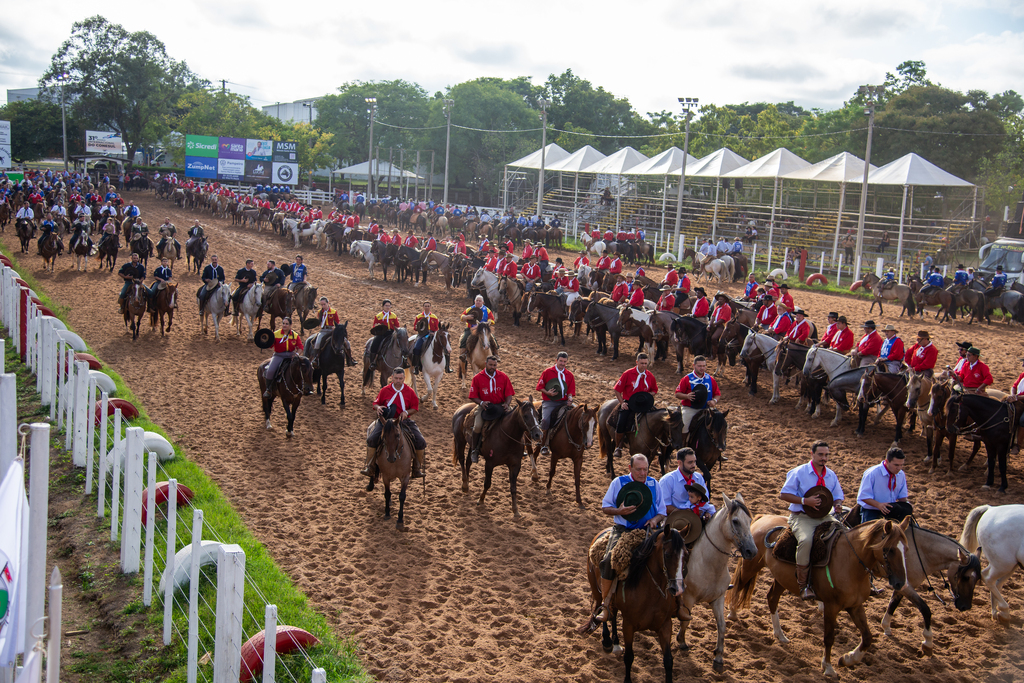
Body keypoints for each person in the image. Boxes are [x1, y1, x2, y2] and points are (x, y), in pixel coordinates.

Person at [594, 454, 666, 621]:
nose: (643, 473)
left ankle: (678, 603)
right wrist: (619, 511)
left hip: (649, 530)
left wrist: (654, 520)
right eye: (638, 469)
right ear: (630, 468)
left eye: (645, 469)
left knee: (673, 555)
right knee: (609, 560)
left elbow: (662, 511)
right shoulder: (618, 482)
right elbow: (605, 507)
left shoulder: (654, 484)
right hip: (623, 530)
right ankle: (606, 604)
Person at [779, 440, 845, 600]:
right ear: (812, 454)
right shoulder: (799, 472)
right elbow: (784, 494)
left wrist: (838, 504)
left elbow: (837, 495)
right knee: (806, 541)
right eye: (820, 454)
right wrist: (805, 501)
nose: (824, 458)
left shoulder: (831, 475)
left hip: (825, 516)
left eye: (826, 455)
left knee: (847, 535)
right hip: (802, 517)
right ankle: (803, 585)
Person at [361, 367, 427, 478]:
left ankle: (416, 468)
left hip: (404, 421)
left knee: (421, 441)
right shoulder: (384, 390)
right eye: (396, 378)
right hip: (386, 422)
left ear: (404, 378)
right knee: (371, 439)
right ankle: (370, 467)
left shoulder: (410, 392)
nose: (398, 381)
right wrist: (378, 408)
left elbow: (415, 408)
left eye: (400, 378)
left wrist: (406, 412)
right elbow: (376, 403)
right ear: (392, 377)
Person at [467, 355, 515, 462]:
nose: (492, 367)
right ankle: (474, 450)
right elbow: (473, 396)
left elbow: (509, 394)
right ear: (486, 364)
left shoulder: (503, 376)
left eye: (494, 365)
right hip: (485, 407)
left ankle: (520, 447)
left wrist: (507, 404)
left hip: (501, 406)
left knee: (516, 420)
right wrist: (481, 403)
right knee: (478, 426)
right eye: (490, 365)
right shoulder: (477, 378)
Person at [612, 353, 658, 457]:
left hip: (645, 403)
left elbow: (655, 389)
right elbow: (617, 390)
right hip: (630, 403)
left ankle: (656, 446)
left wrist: (650, 394)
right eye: (642, 363)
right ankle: (618, 446)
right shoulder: (628, 374)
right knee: (621, 422)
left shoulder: (650, 375)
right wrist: (622, 403)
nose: (644, 365)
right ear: (637, 362)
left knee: (658, 418)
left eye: (645, 363)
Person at [536, 351, 576, 456]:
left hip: (564, 402)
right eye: (561, 361)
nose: (562, 363)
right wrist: (547, 393)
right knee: (545, 420)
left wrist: (570, 398)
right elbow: (540, 387)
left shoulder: (569, 375)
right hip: (550, 402)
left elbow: (571, 390)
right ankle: (543, 444)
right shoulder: (547, 372)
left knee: (579, 415)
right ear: (556, 360)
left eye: (565, 361)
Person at [857, 447, 910, 524]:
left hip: (892, 511)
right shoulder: (872, 473)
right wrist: (879, 505)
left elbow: (902, 498)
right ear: (887, 461)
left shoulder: (901, 474)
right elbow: (863, 496)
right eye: (896, 465)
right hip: (872, 510)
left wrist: (907, 506)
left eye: (901, 465)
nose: (899, 468)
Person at [675, 355, 720, 437]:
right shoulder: (686, 378)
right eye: (699, 366)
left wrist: (714, 401)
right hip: (690, 408)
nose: (702, 368)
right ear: (694, 365)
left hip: (707, 409)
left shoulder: (710, 379)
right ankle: (683, 442)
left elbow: (717, 394)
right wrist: (687, 396)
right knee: (684, 426)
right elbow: (677, 394)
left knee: (720, 423)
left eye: (704, 366)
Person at [659, 447, 709, 514]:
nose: (694, 465)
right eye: (690, 462)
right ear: (680, 463)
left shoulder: (699, 477)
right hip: (676, 518)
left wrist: (707, 513)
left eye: (694, 461)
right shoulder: (667, 480)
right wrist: (685, 514)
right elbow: (664, 506)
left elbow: (706, 499)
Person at [411, 301, 443, 374]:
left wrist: (433, 333)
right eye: (425, 306)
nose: (427, 307)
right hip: (422, 334)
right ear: (423, 307)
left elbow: (437, 328)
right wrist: (417, 328)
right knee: (416, 348)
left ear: (430, 307)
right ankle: (416, 366)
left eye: (428, 306)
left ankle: (447, 366)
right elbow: (415, 327)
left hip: (432, 334)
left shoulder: (434, 317)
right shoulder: (419, 317)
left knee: (443, 346)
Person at [368, 299, 401, 366]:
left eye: (389, 306)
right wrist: (377, 327)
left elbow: (397, 325)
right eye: (386, 305)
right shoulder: (378, 316)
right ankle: (372, 361)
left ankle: (404, 360)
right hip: (381, 333)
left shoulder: (393, 315)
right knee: (374, 344)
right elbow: (374, 325)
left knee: (401, 343)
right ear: (383, 306)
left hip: (391, 333)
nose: (388, 307)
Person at [1002, 358, 1024, 454]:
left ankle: (1018, 444)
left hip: (1020, 399)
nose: (1023, 365)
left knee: (1022, 420)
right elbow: (1014, 386)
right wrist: (1012, 395)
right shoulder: (1022, 375)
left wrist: (1016, 398)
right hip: (1017, 399)